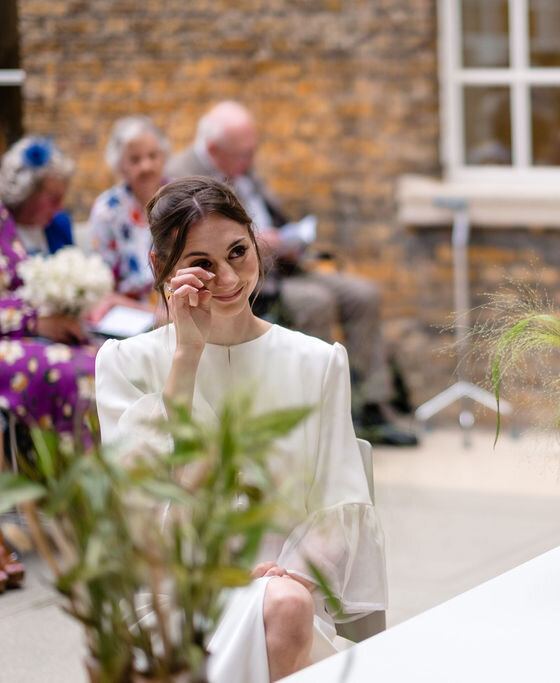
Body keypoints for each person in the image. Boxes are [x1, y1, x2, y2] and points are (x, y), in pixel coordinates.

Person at [94, 177, 387, 682]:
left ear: (257, 242)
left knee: (287, 608)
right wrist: (186, 356)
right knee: (282, 611)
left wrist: (287, 578)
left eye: (237, 252)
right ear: (162, 268)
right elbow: (137, 510)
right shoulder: (127, 363)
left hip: (290, 590)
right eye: (202, 263)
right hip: (169, 596)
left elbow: (339, 503)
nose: (227, 277)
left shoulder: (317, 362)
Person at [165, 101, 416, 446]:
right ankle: (317, 411)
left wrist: (290, 238)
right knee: (316, 301)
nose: (250, 162)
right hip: (250, 276)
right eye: (243, 155)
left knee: (363, 294)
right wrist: (257, 243)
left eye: (251, 152)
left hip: (287, 262)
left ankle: (374, 407)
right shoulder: (184, 173)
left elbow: (272, 213)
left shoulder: (242, 167)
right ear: (213, 150)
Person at [0, 136, 96, 437]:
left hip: (30, 328)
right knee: (76, 371)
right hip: (21, 333)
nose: (59, 207)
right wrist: (34, 321)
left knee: (108, 358)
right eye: (51, 198)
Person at [89, 116, 170, 304]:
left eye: (152, 156)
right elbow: (102, 283)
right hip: (128, 311)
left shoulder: (182, 198)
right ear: (120, 164)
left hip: (180, 302)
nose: (146, 166)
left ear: (163, 156)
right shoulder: (108, 210)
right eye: (135, 159)